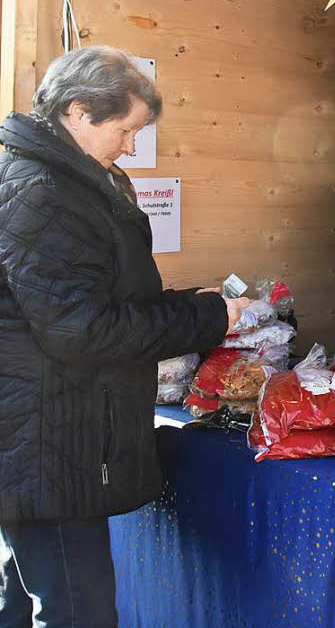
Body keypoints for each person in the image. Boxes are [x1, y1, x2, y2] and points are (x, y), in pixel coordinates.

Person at [0, 46, 250, 626]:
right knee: (77, 609)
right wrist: (204, 322)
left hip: (46, 428)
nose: (132, 146)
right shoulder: (44, 192)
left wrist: (186, 303)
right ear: (79, 111)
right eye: (126, 130)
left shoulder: (74, 178)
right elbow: (83, 332)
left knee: (24, 595)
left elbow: (96, 298)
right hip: (47, 437)